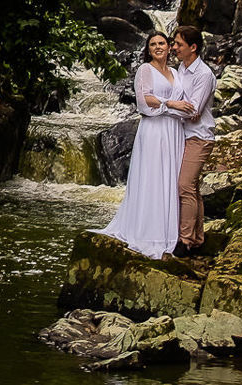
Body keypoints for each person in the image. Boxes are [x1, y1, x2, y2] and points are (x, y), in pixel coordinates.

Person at [92, 31, 193, 259]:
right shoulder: (145, 70)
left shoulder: (176, 73)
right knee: (154, 178)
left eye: (162, 43)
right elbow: (144, 98)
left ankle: (170, 233)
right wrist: (171, 103)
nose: (158, 47)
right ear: (148, 49)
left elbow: (185, 100)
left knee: (170, 178)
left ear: (169, 47)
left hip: (174, 131)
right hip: (155, 130)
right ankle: (150, 234)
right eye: (153, 44)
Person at [171, 24, 217, 255]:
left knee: (184, 185)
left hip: (199, 136)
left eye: (179, 44)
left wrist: (166, 107)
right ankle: (197, 238)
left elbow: (194, 110)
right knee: (192, 188)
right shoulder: (181, 68)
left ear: (193, 47)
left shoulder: (204, 74)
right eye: (175, 43)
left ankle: (185, 239)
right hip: (183, 135)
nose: (174, 47)